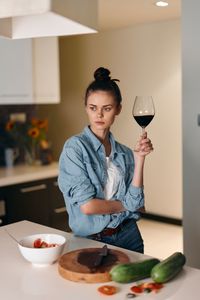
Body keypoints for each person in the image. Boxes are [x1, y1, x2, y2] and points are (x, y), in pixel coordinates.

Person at [58, 67, 153, 253]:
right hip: (92, 241)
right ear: (86, 107)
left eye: (107, 108)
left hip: (129, 236)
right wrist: (127, 206)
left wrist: (139, 158)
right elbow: (89, 206)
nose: (99, 115)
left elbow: (138, 201)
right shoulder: (74, 148)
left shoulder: (126, 153)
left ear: (118, 109)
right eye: (93, 108)